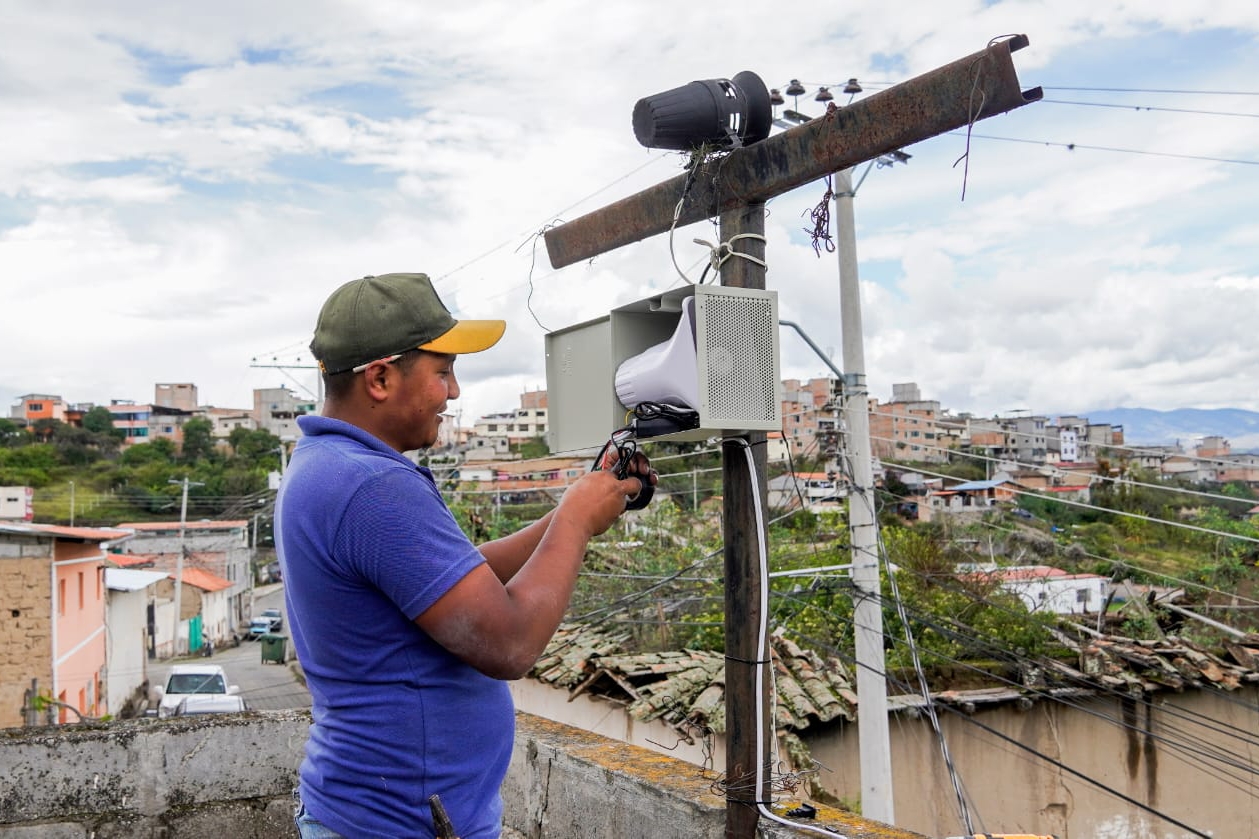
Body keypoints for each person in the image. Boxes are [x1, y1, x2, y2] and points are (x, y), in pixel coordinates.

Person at [276, 273, 653, 839]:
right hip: (398, 826)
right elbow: (507, 643)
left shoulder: (326, 465)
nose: (452, 393)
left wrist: (579, 506)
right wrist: (574, 521)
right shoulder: (372, 485)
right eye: (442, 371)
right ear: (379, 377)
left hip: (371, 815)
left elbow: (454, 574)